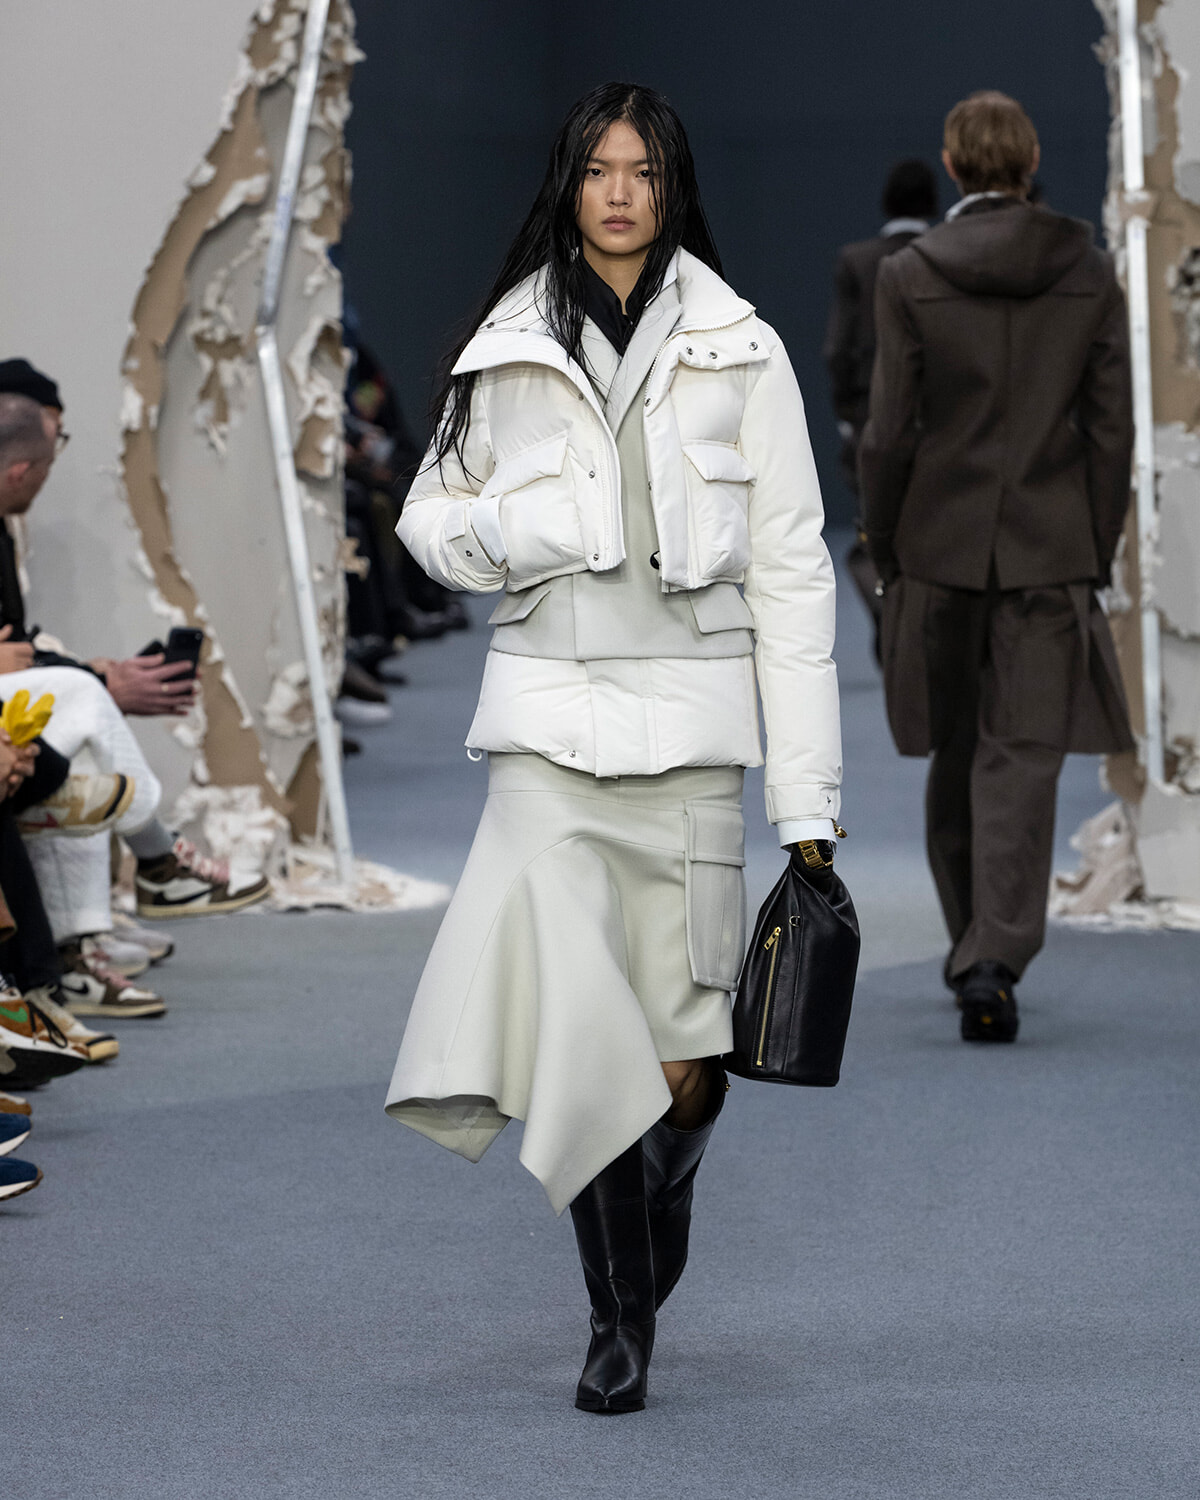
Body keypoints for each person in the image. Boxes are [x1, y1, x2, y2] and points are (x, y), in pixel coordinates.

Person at [384, 82, 843, 1413]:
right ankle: (616, 1320)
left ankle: (670, 1173)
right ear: (570, 185)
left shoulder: (741, 349)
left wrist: (807, 806)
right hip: (545, 735)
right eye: (600, 168)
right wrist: (525, 531)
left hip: (694, 736)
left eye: (643, 169)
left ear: (672, 183)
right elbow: (429, 521)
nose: (622, 191)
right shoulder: (508, 340)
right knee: (584, 1036)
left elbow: (795, 578)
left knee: (686, 1066)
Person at [858, 92, 1134, 1044]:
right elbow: (1110, 429)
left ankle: (970, 943)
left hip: (939, 540)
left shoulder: (910, 273)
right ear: (1032, 159)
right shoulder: (1089, 272)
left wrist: (884, 539)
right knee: (1023, 755)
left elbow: (891, 430)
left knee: (956, 746)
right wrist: (1094, 545)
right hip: (1050, 542)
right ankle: (995, 951)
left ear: (950, 162)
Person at [823, 160, 937, 661]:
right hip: (939, 426)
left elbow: (838, 349)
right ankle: (924, 629)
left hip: (873, 427)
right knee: (932, 531)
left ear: (886, 205)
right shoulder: (945, 256)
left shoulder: (858, 261)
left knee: (875, 534)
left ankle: (889, 611)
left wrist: (850, 417)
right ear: (933, 205)